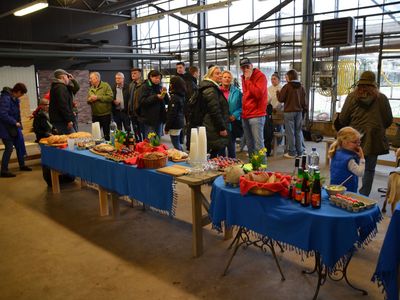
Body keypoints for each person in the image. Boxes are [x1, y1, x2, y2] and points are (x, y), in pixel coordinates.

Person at [339, 70, 393, 196]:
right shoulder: (382, 98)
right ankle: (363, 196)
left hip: (353, 139)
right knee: (369, 169)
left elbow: (342, 119)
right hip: (374, 140)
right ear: (374, 84)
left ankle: (348, 194)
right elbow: (388, 120)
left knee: (349, 165)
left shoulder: (352, 97)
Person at [0, 83, 32, 177]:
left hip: (14, 128)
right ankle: (4, 171)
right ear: (18, 91)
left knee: (19, 145)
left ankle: (22, 165)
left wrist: (19, 124)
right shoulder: (5, 98)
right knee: (9, 148)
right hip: (5, 128)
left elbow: (16, 113)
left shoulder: (14, 99)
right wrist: (14, 122)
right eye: (21, 94)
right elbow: (2, 114)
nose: (21, 96)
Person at [240, 57, 268, 158]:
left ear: (252, 66)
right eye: (243, 67)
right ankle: (253, 168)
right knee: (250, 144)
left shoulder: (260, 76)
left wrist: (248, 80)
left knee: (258, 145)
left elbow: (258, 94)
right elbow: (246, 95)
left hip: (256, 115)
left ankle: (262, 170)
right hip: (246, 115)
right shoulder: (243, 77)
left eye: (247, 66)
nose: (245, 69)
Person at [200, 66, 229, 158]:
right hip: (211, 126)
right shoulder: (211, 90)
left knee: (210, 152)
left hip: (210, 125)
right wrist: (221, 128)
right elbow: (214, 111)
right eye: (217, 73)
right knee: (211, 153)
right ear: (210, 75)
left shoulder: (211, 87)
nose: (220, 75)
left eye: (220, 73)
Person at [277, 69, 307, 158]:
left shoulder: (287, 86)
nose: (286, 78)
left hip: (289, 112)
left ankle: (292, 152)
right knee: (298, 132)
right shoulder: (301, 87)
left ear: (290, 77)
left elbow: (281, 99)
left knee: (290, 133)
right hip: (299, 112)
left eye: (286, 76)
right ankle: (300, 152)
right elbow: (304, 102)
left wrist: (278, 93)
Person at [329, 127, 365, 193]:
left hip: (334, 187)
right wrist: (362, 158)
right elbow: (360, 173)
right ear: (345, 142)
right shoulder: (349, 159)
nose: (358, 145)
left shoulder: (335, 152)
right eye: (355, 142)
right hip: (347, 190)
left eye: (359, 142)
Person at [136, 70, 167, 138]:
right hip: (149, 119)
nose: (158, 80)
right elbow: (142, 101)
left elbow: (166, 101)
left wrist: (165, 94)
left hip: (159, 118)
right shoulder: (144, 87)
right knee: (150, 140)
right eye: (156, 78)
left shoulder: (159, 87)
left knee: (158, 139)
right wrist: (156, 97)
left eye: (159, 78)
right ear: (150, 77)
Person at [49, 69, 80, 134]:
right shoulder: (60, 88)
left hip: (60, 119)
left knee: (68, 139)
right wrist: (69, 120)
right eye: (67, 77)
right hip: (62, 120)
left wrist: (73, 80)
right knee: (72, 139)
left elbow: (76, 88)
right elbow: (63, 105)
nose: (68, 79)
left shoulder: (61, 87)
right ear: (63, 77)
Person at [220, 70, 242, 158]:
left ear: (231, 79)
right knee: (220, 148)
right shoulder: (216, 91)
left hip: (231, 122)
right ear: (221, 79)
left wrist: (235, 115)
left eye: (229, 77)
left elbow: (241, 107)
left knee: (231, 147)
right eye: (225, 77)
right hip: (220, 122)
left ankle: (233, 168)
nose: (227, 79)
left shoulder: (237, 92)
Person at [87, 72, 113, 141]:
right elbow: (88, 101)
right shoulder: (91, 88)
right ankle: (96, 148)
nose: (90, 80)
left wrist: (97, 97)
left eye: (91, 78)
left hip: (105, 115)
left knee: (106, 135)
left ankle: (107, 148)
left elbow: (110, 97)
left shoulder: (106, 86)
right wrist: (89, 100)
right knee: (95, 134)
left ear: (97, 78)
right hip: (95, 115)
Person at [165, 76, 186, 150]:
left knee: (176, 144)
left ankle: (182, 157)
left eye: (171, 83)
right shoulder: (181, 95)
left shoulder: (175, 98)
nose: (170, 85)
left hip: (175, 124)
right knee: (178, 143)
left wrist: (167, 127)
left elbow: (172, 114)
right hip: (180, 122)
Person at [127, 68, 144, 141]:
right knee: (136, 131)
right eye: (132, 74)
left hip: (140, 112)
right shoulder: (131, 84)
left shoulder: (144, 84)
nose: (133, 75)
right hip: (132, 112)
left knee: (142, 131)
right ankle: (138, 142)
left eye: (135, 73)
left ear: (140, 74)